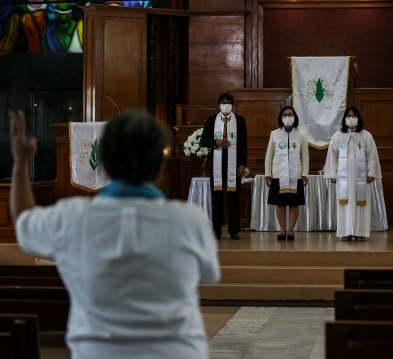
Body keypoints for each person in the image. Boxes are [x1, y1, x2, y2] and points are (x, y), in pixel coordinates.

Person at [10, 110, 220, 359]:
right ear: (159, 163)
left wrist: (21, 163)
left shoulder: (72, 218)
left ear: (104, 160)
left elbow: (23, 221)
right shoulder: (189, 220)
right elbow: (209, 273)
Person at [324, 106, 382, 241]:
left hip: (361, 178)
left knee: (361, 203)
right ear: (344, 119)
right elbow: (331, 156)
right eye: (348, 116)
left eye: (354, 116)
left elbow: (372, 156)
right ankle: (346, 232)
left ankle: (359, 232)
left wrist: (371, 172)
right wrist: (332, 174)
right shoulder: (338, 136)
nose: (351, 119)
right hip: (344, 178)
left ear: (358, 118)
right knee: (345, 203)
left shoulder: (366, 135)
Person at [200, 92, 248, 240]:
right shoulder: (211, 120)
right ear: (219, 105)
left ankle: (234, 230)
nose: (226, 105)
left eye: (228, 103)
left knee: (234, 198)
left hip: (234, 165)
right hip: (217, 165)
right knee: (217, 198)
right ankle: (216, 231)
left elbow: (243, 145)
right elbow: (203, 141)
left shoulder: (240, 120)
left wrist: (242, 164)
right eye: (223, 103)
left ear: (232, 105)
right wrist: (217, 142)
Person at [264, 106, 309, 240]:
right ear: (281, 117)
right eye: (285, 114)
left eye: (290, 114)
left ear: (294, 117)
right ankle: (282, 229)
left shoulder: (301, 134)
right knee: (280, 202)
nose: (288, 117)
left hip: (296, 174)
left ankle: (291, 230)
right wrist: (268, 174)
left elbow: (305, 155)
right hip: (278, 173)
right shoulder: (275, 134)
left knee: (294, 203)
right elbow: (269, 155)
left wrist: (305, 174)